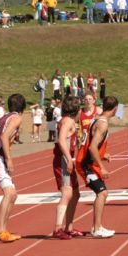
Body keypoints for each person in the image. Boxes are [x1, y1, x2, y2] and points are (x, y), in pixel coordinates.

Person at [77, 96, 119, 238]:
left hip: (88, 161)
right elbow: (92, 147)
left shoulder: (96, 118)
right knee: (102, 193)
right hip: (86, 163)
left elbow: (90, 143)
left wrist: (102, 155)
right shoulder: (103, 124)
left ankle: (97, 227)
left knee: (102, 193)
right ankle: (96, 228)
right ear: (115, 109)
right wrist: (102, 167)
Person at [0, 93, 26, 242]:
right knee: (9, 193)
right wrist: (9, 159)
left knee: (13, 194)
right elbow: (3, 137)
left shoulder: (4, 117)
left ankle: (3, 229)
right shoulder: (16, 118)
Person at [52, 96, 83, 240]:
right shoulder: (68, 121)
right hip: (63, 160)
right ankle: (58, 228)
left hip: (66, 159)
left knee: (75, 193)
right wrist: (68, 159)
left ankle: (69, 227)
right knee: (67, 192)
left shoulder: (67, 121)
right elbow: (61, 140)